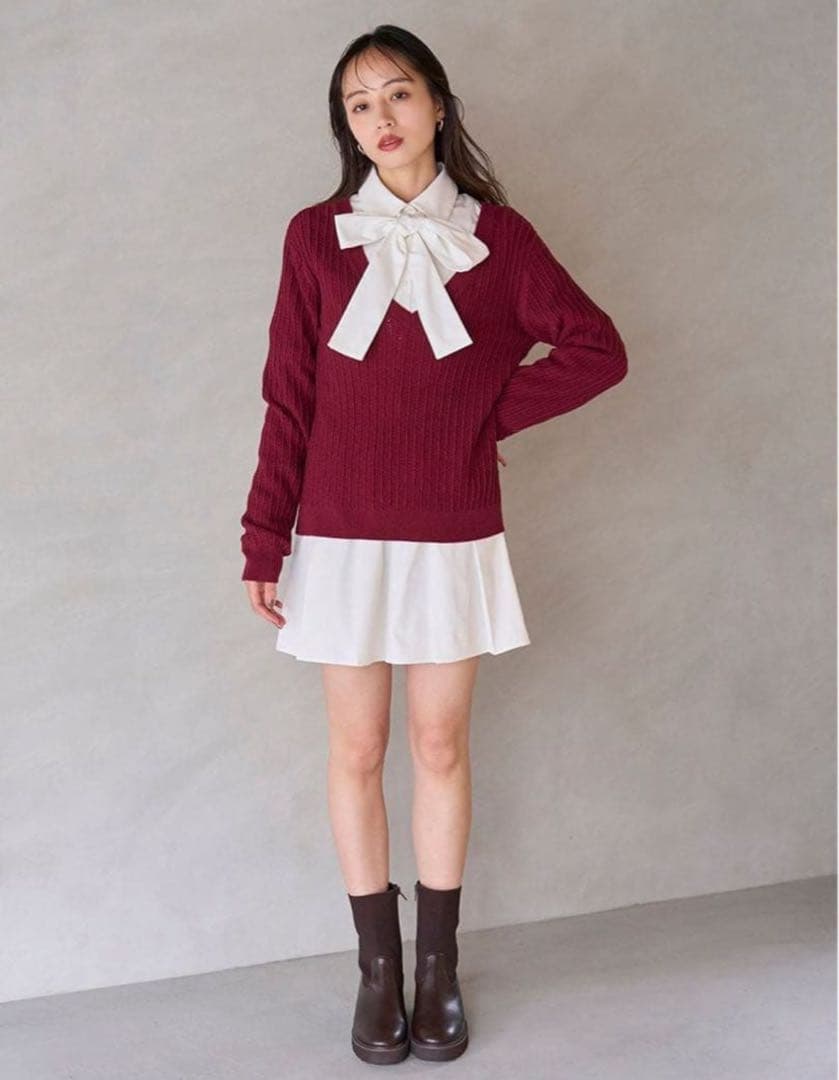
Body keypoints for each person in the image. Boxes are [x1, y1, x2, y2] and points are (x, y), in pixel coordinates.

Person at [239, 24, 628, 1065]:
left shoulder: (500, 240)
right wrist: (263, 535)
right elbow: (289, 397)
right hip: (336, 532)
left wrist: (482, 415)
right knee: (356, 750)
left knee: (440, 745)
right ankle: (377, 971)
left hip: (451, 530)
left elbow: (596, 350)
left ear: (439, 105)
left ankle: (437, 969)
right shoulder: (314, 238)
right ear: (346, 126)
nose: (381, 117)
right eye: (358, 104)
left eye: (398, 93)